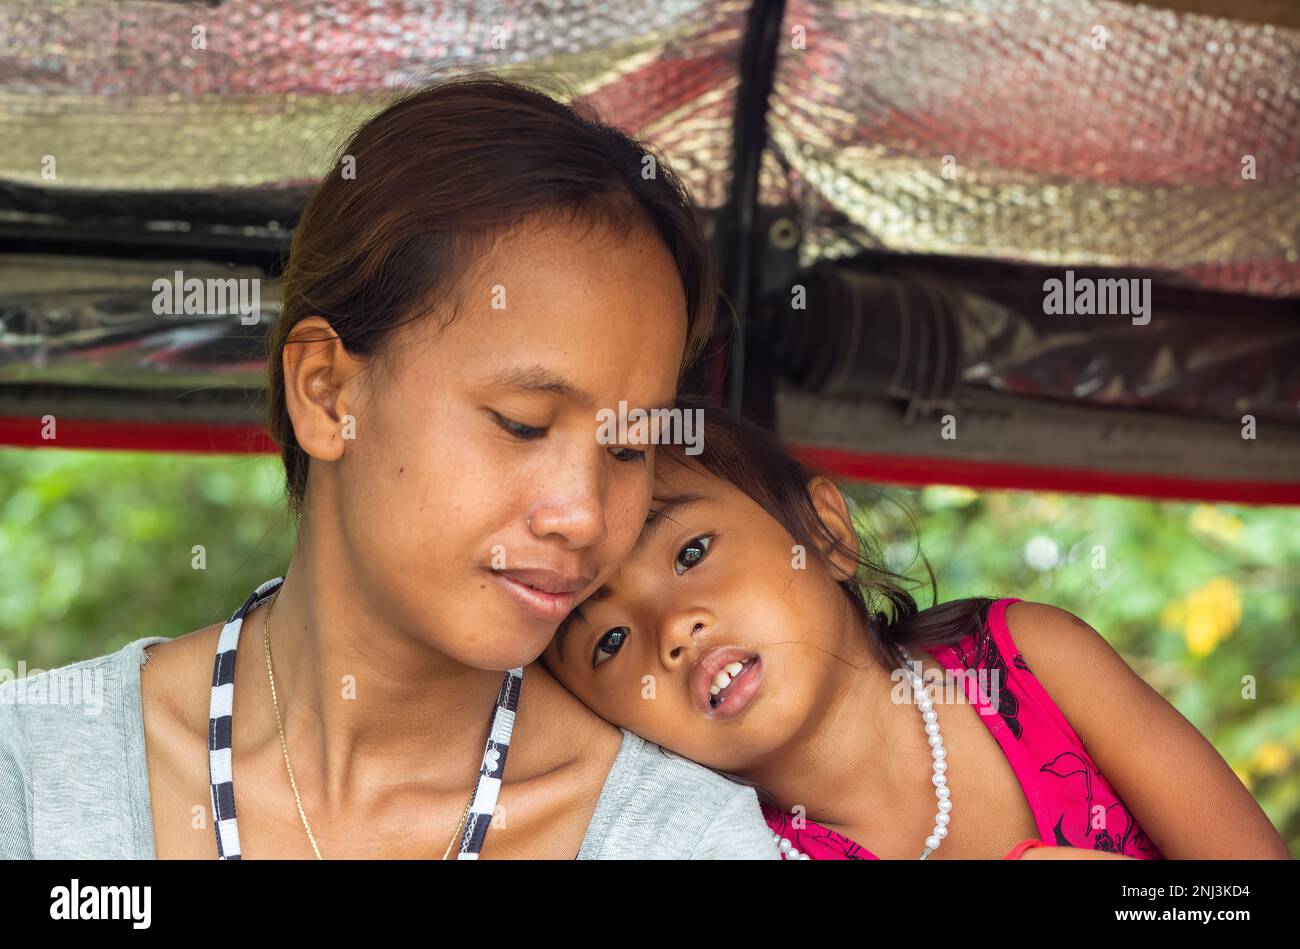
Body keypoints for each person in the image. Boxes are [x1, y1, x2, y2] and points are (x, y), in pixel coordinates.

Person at [0, 75, 780, 860]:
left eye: (627, 447)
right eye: (522, 422)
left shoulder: (678, 838)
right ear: (328, 391)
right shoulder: (35, 771)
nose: (583, 513)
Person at [541, 405, 1293, 860]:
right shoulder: (730, 845)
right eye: (607, 641)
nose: (672, 630)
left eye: (691, 552)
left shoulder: (1029, 660)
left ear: (824, 532)